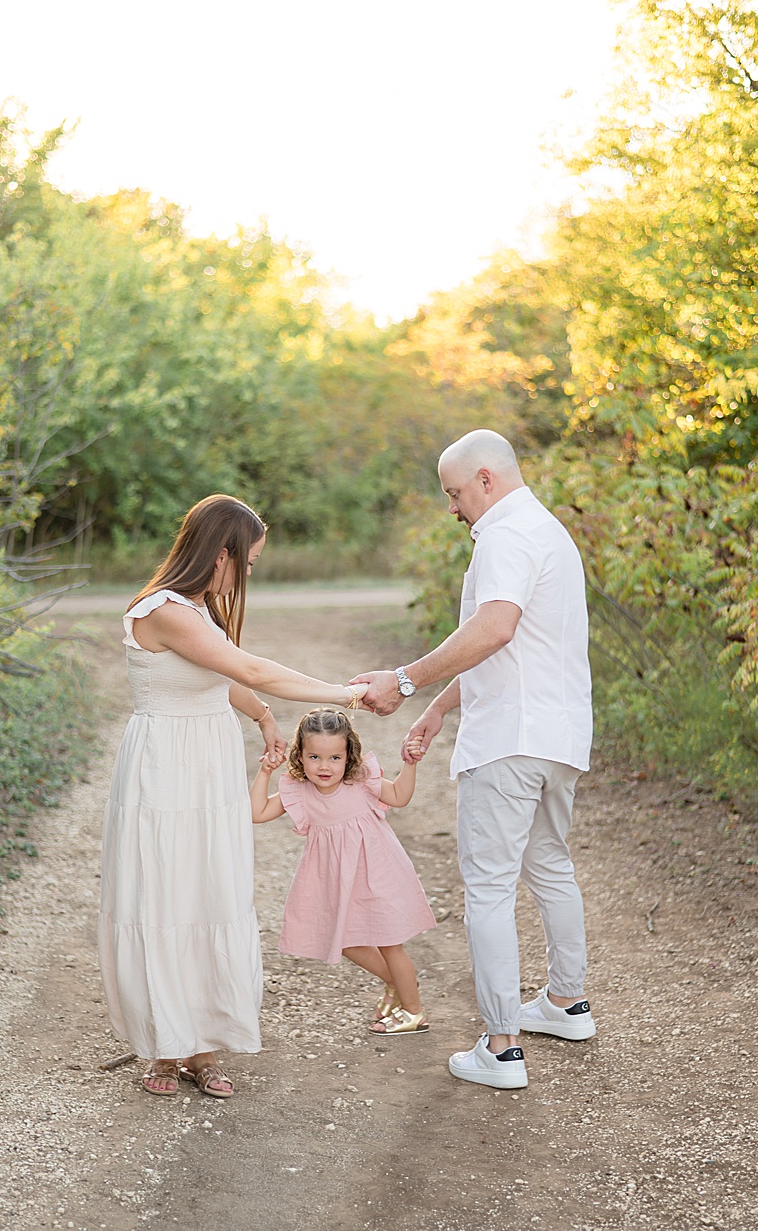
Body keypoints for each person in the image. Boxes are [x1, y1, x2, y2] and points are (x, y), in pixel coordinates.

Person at [101, 494, 368, 1100]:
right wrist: (346, 694)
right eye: (247, 561)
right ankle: (166, 1048)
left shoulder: (197, 611)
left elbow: (221, 682)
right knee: (165, 895)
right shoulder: (164, 610)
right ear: (221, 552)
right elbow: (250, 669)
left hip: (208, 765)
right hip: (166, 768)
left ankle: (204, 1044)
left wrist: (266, 719)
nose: (249, 572)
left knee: (211, 891)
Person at [352, 429, 594, 1092]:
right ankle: (567, 1004)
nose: (453, 508)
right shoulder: (547, 531)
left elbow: (494, 629)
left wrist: (403, 681)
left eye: (455, 493)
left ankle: (501, 1045)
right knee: (548, 865)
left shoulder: (503, 535)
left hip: (511, 741)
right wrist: (436, 710)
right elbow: (514, 647)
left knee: (488, 887)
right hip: (559, 735)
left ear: (485, 479)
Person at [248, 707, 437, 1035]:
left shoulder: (361, 780)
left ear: (349, 755)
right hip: (336, 879)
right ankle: (397, 983)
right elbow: (258, 812)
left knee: (389, 942)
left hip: (377, 871)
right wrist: (264, 772)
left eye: (335, 758)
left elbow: (400, 796)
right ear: (300, 755)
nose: (325, 766)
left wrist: (410, 764)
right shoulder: (299, 788)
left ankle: (413, 1011)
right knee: (345, 939)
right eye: (315, 757)